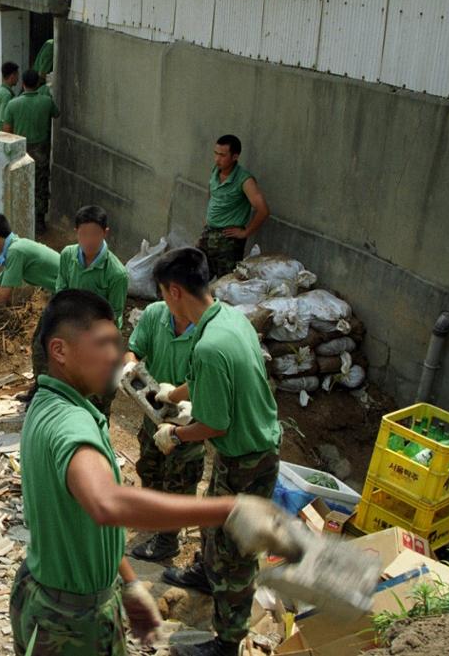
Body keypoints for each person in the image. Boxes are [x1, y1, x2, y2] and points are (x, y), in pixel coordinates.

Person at [11, 289, 305, 655]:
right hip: (74, 622)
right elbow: (107, 504)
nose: (116, 356)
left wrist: (129, 584)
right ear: (60, 351)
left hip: (48, 595)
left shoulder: (47, 403)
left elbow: (87, 522)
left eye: (117, 343)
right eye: (102, 344)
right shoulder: (72, 427)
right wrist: (228, 509)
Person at [153, 247, 282, 656]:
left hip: (247, 456)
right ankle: (206, 575)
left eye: (161, 294)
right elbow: (205, 377)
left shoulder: (209, 344)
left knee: (236, 554)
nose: (162, 302)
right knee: (214, 519)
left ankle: (227, 642)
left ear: (175, 292)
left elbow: (216, 425)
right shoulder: (228, 318)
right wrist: (173, 393)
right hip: (249, 447)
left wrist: (175, 434)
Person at [122, 290, 200, 561]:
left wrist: (180, 400)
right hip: (153, 409)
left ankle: (168, 540)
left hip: (188, 416)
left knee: (181, 475)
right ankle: (154, 516)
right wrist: (129, 368)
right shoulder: (156, 314)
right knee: (149, 465)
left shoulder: (207, 329)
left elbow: (208, 380)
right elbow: (134, 349)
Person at [54, 205, 128, 416]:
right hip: (71, 329)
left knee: (98, 403)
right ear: (76, 231)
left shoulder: (116, 273)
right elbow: (61, 290)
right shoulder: (68, 255)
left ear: (105, 233)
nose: (88, 240)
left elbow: (113, 315)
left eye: (94, 234)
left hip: (100, 339)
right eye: (83, 234)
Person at [0, 213, 59, 380]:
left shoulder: (16, 251)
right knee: (45, 341)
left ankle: (42, 388)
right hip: (61, 292)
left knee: (40, 344)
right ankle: (43, 384)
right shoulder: (17, 246)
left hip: (66, 294)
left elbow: (3, 294)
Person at [197, 135, 270, 279]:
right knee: (196, 276)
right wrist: (208, 219)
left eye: (222, 155)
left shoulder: (245, 180)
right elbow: (212, 194)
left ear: (235, 156)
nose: (217, 159)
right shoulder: (215, 171)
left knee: (226, 281)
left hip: (227, 241)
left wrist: (245, 232)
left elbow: (263, 210)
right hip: (208, 234)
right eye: (215, 153)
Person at [2, 69, 60, 232]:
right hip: (41, 148)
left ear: (23, 84)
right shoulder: (46, 101)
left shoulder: (13, 104)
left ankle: (21, 220)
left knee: (21, 182)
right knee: (40, 185)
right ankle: (39, 221)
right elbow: (57, 114)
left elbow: (6, 130)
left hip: (21, 148)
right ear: (37, 84)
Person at [0, 61, 19, 131]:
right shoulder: (6, 94)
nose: (18, 79)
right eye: (17, 75)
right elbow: (4, 119)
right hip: (2, 135)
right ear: (12, 76)